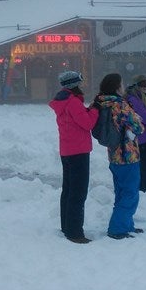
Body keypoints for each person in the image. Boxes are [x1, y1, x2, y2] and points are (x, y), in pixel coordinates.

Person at [49, 70, 99, 244]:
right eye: (79, 83)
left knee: (69, 191)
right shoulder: (73, 102)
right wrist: (94, 111)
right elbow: (88, 123)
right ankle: (75, 232)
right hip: (79, 151)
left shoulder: (62, 101)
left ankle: (66, 226)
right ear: (74, 85)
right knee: (78, 193)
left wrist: (87, 110)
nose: (81, 86)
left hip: (67, 150)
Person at [94, 73, 144, 240]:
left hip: (114, 154)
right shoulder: (119, 104)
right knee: (130, 193)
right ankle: (117, 228)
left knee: (121, 192)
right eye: (121, 84)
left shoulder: (101, 102)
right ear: (116, 86)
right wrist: (136, 123)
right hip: (128, 155)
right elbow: (137, 125)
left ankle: (126, 224)